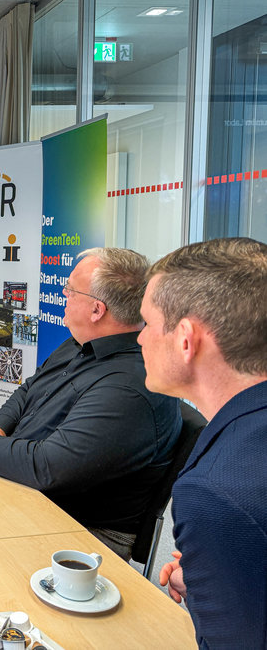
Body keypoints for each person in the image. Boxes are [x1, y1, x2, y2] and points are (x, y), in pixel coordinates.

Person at [0, 248, 181, 559]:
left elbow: (47, 467)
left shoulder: (130, 387)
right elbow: (28, 389)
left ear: (97, 310)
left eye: (71, 289)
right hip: (30, 486)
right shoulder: (79, 343)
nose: (63, 294)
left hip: (78, 529)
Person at [140, 238, 267, 648]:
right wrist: (219, 579)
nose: (139, 339)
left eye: (147, 324)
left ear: (185, 339)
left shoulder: (215, 492)